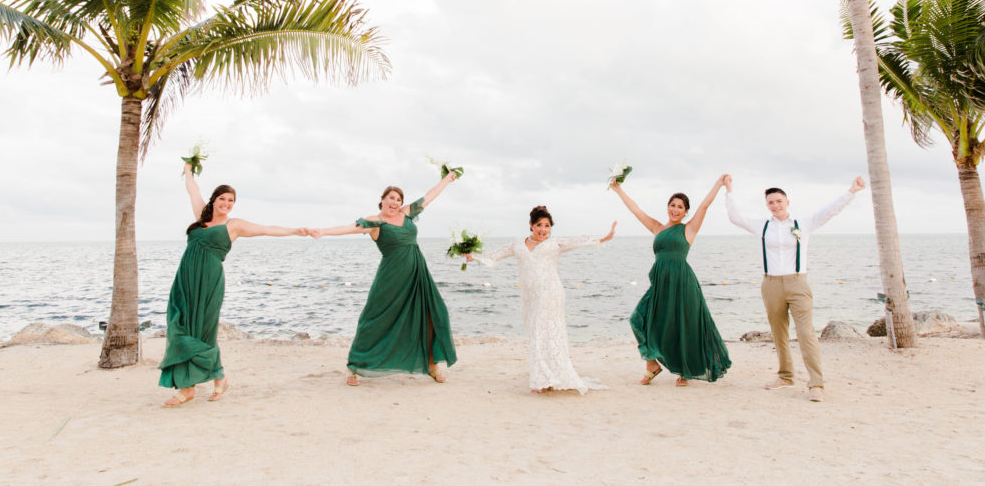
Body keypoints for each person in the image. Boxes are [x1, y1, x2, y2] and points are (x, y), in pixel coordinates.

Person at [159, 162, 310, 406]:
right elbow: (193, 191)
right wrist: (188, 171)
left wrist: (295, 231)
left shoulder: (234, 225)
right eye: (223, 199)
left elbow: (266, 230)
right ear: (214, 200)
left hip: (209, 282)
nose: (226, 204)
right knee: (179, 327)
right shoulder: (201, 217)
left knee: (203, 332)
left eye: (231, 201)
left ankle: (194, 387)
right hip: (185, 280)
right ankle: (209, 381)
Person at [725, 174, 866, 402]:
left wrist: (851, 191)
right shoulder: (762, 226)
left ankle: (816, 384)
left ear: (787, 202)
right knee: (778, 332)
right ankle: (785, 375)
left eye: (779, 201)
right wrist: (729, 190)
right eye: (770, 202)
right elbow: (735, 217)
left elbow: (830, 211)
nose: (775, 205)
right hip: (771, 283)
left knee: (805, 332)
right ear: (767, 205)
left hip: (797, 282)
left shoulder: (803, 223)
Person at [309, 172, 459, 385]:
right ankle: (353, 366)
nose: (395, 203)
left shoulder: (407, 214)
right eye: (391, 198)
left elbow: (428, 197)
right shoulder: (374, 222)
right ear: (382, 200)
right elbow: (349, 228)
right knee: (373, 320)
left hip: (418, 273)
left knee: (434, 315)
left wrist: (446, 179)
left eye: (398, 200)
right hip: (391, 277)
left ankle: (432, 366)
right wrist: (322, 232)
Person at [466, 206, 616, 394]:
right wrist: (473, 257)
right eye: (539, 225)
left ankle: (542, 380)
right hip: (530, 297)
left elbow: (577, 242)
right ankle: (548, 376)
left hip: (551, 293)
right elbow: (496, 255)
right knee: (538, 333)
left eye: (547, 226)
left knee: (544, 333)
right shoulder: (518, 244)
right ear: (531, 225)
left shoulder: (554, 244)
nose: (543, 229)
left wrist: (603, 238)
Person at [610, 175, 732, 386]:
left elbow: (704, 205)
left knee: (683, 326)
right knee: (637, 319)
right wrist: (617, 189)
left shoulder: (689, 228)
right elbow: (636, 209)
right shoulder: (658, 228)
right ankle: (652, 364)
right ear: (668, 207)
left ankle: (685, 372)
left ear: (686, 212)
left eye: (680, 207)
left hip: (683, 283)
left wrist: (719, 184)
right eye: (672, 205)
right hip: (660, 285)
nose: (675, 209)